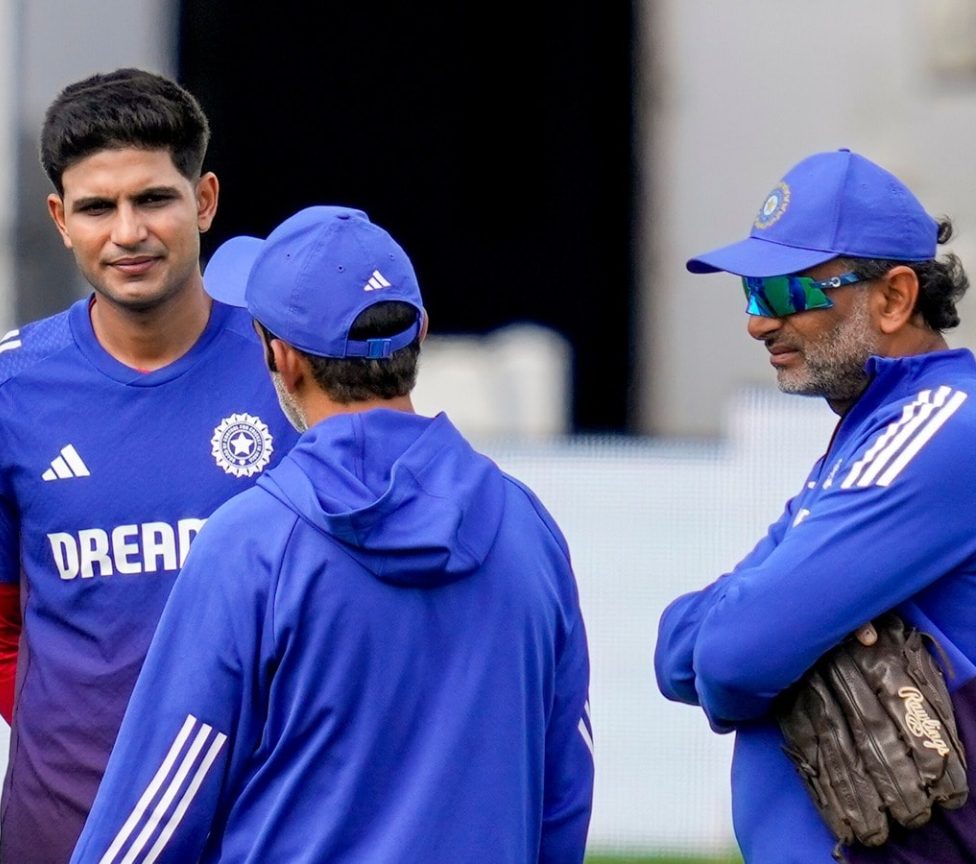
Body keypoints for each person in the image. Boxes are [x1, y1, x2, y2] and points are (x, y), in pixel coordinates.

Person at [69, 205, 596, 863]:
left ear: (283, 359)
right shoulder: (529, 529)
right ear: (419, 333)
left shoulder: (251, 545)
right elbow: (564, 784)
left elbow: (149, 821)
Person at [0, 68, 300, 862]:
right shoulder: (0, 392)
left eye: (154, 199)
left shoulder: (288, 373)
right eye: (98, 207)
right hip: (69, 826)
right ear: (61, 219)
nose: (128, 232)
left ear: (204, 201)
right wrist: (95, 758)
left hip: (262, 823)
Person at [654, 148, 976, 860]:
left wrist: (761, 640)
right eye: (753, 293)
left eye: (786, 292)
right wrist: (769, 634)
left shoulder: (942, 427)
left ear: (893, 298)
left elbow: (732, 659)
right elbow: (677, 655)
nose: (759, 323)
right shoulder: (876, 433)